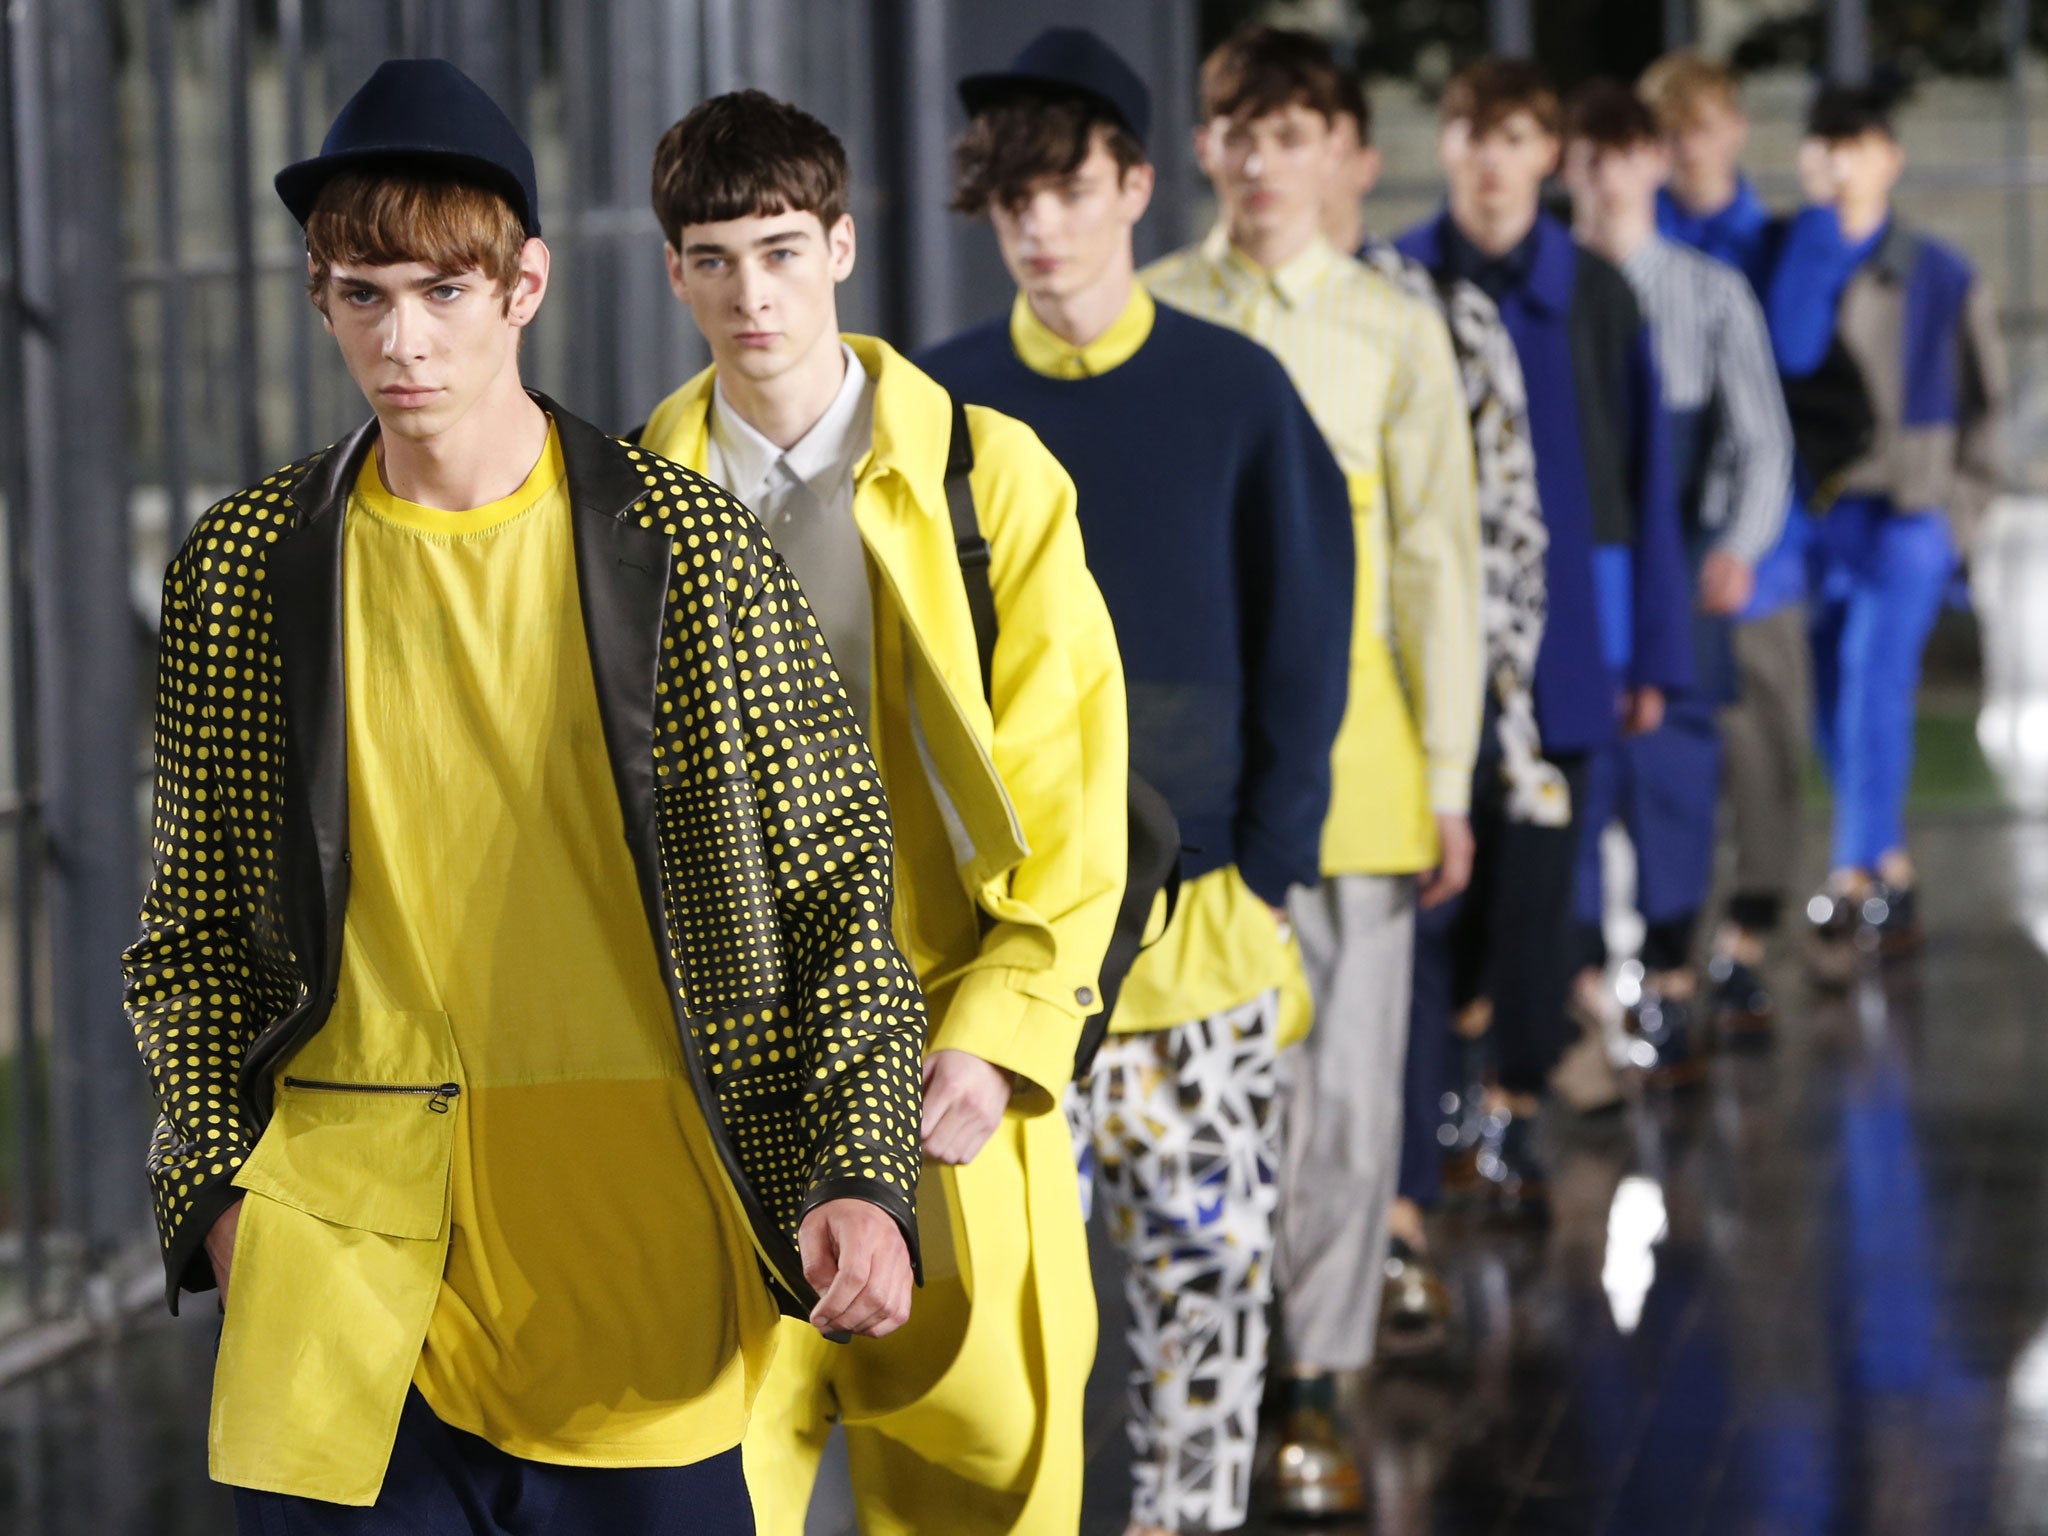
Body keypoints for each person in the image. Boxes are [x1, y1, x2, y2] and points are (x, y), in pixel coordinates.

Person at [120, 60, 923, 1534]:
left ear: (525, 284)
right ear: (323, 302)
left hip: (629, 1253)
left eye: (441, 290)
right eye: (362, 295)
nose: (401, 338)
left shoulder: (690, 552)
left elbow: (832, 892)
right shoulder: (244, 569)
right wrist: (218, 1202)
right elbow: (188, 938)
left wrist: (861, 1172)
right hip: (336, 1267)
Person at [636, 89, 1128, 1536]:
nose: (750, 293)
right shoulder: (621, 511)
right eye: (714, 257)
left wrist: (1000, 1036)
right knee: (714, 1479)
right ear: (671, 273)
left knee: (990, 1475)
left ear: (842, 247)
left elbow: (1072, 787)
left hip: (944, 1041)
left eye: (782, 249)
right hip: (716, 1065)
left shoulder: (990, 478)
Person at [919, 30, 1355, 1536]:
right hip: (1002, 956)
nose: (1037, 226)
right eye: (1010, 199)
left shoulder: (1239, 394)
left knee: (1208, 1305)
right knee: (1004, 1331)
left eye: (1065, 190)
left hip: (1202, 936)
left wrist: (1277, 865)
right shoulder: (943, 407)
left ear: (1136, 188)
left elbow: (1307, 634)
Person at [1144, 26, 1482, 1519]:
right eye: (1236, 130)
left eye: (1291, 132)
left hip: (1356, 785)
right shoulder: (1146, 311)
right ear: (1204, 148)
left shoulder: (1394, 328)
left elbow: (1439, 566)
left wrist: (1455, 773)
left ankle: (1316, 1381)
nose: (1260, 159)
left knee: (1346, 1106)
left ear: (1342, 152)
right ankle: (1211, 1369)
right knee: (1223, 1100)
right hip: (1188, 803)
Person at [1396, 58, 1691, 1197]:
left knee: (1535, 906)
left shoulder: (1596, 295)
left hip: (1561, 660)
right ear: (1445, 146)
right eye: (1471, 131)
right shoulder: (1396, 283)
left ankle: (1511, 1098)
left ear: (1547, 155)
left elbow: (1642, 484)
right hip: (1424, 664)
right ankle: (1442, 1103)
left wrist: (1647, 653)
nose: (1488, 159)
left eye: (1514, 135)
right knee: (1435, 908)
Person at [1322, 66, 1561, 1352]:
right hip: (1262, 728)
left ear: (1356, 159)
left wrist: (1473, 729)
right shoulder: (1189, 314)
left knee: (1410, 976)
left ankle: (1401, 1219)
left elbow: (1493, 540)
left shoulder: (1435, 315)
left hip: (1412, 718)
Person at [1560, 80, 1792, 1081]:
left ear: (1656, 162)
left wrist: (1739, 543)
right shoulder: (1543, 293)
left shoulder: (1704, 292)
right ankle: (1572, 990)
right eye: (1588, 154)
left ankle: (1669, 975)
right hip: (1571, 567)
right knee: (1568, 778)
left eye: (1624, 153)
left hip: (1676, 561)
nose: (1607, 176)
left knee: (1674, 777)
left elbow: (1759, 438)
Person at [1764, 83, 2005, 958]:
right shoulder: (1786, 256)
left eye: (1857, 144)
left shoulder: (1938, 274)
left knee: (1874, 681)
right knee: (1828, 692)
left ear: (1890, 157)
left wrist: (1958, 512)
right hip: (1814, 514)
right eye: (1824, 144)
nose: (1838, 163)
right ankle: (1889, 863)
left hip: (1906, 514)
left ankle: (1850, 873)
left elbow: (1987, 403)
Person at [1639, 52, 1810, 1027]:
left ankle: (1749, 934)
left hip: (1767, 555)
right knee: (1677, 764)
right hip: (1674, 557)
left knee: (1765, 757)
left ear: (1733, 128)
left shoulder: (1779, 245)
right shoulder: (1635, 257)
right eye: (1668, 131)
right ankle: (1678, 949)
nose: (1685, 148)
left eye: (1699, 126)